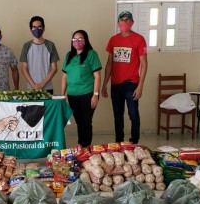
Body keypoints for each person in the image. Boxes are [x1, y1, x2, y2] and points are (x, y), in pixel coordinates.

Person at [101, 11, 148, 145]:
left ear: (132, 22)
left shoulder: (139, 39)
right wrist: (105, 84)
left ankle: (134, 142)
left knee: (133, 114)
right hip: (116, 85)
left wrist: (140, 86)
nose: (124, 23)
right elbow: (109, 63)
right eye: (122, 20)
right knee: (117, 115)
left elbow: (144, 64)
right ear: (118, 23)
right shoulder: (113, 40)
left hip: (132, 84)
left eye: (128, 20)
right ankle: (119, 142)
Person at [61, 30, 102, 147]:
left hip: (88, 93)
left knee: (86, 122)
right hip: (72, 95)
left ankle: (85, 145)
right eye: (74, 39)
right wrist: (62, 95)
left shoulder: (91, 54)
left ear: (85, 40)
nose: (77, 41)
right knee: (79, 122)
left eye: (80, 39)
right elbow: (64, 76)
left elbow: (97, 76)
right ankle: (81, 145)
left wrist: (95, 94)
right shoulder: (69, 56)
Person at [20, 16, 59, 95]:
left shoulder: (50, 45)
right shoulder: (26, 46)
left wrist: (41, 85)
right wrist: (34, 85)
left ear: (44, 28)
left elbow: (54, 68)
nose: (37, 29)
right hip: (31, 88)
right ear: (31, 30)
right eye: (34, 27)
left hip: (47, 88)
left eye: (39, 27)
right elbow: (24, 69)